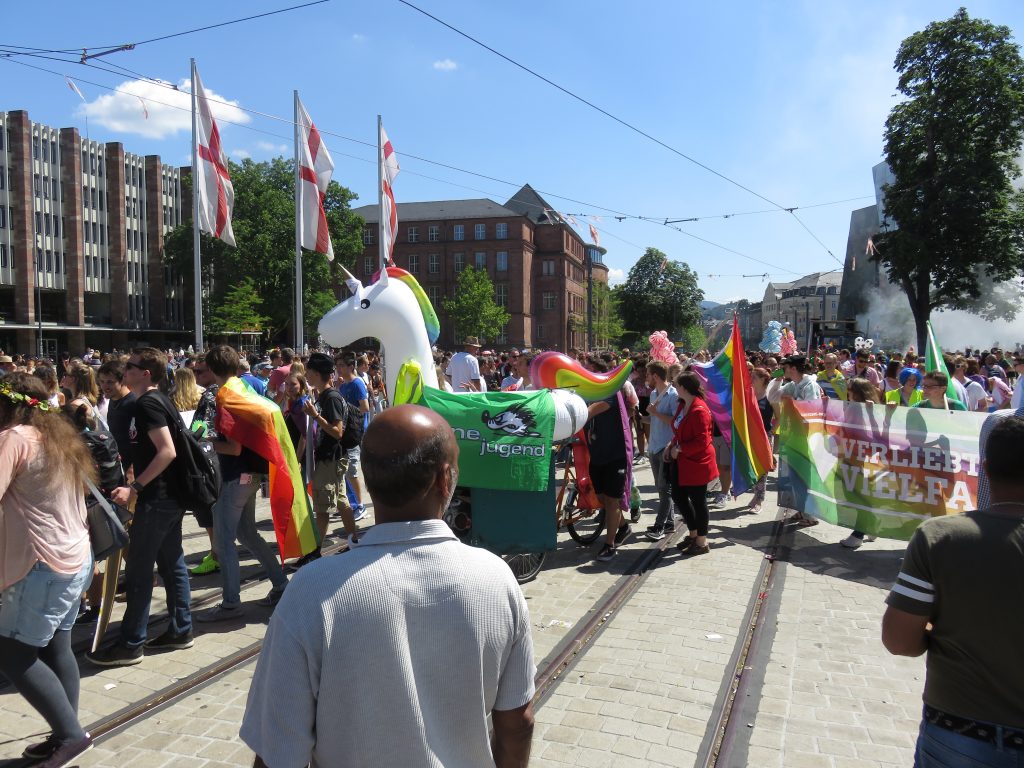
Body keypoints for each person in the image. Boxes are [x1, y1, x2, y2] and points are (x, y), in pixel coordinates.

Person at [240, 405, 536, 767]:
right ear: (445, 479)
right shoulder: (497, 578)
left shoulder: (311, 591)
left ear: (368, 476)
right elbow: (517, 724)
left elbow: (277, 753)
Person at [882, 416, 1024, 767]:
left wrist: (942, 635)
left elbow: (899, 641)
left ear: (986, 469)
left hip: (959, 730)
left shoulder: (939, 537)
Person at [0, 373, 97, 766]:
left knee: (13, 654)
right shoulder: (59, 438)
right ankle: (64, 732)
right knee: (57, 646)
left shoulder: (14, 438)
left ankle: (72, 736)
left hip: (42, 564)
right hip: (75, 558)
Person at [86, 348, 193, 667]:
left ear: (145, 373)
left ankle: (131, 643)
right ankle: (181, 629)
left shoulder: (147, 402)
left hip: (157, 498)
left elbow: (167, 451)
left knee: (138, 572)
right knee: (172, 562)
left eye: (130, 367)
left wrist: (134, 487)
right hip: (169, 496)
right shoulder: (157, 399)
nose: (124, 371)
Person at [193, 346, 288, 622]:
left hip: (236, 477)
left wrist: (204, 440)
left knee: (223, 542)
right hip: (253, 475)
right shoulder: (244, 389)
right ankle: (281, 584)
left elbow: (233, 448)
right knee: (247, 534)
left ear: (211, 369)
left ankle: (231, 603)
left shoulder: (226, 396)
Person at [301, 353, 357, 563]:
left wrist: (315, 416)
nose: (305, 374)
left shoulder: (331, 398)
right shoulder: (322, 395)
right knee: (341, 500)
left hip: (330, 458)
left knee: (323, 506)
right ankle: (354, 542)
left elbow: (337, 431)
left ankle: (316, 550)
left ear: (316, 373)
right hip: (331, 457)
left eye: (308, 371)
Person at [666, 371, 719, 557]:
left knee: (698, 501)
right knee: (678, 497)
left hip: (697, 462)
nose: (673, 387)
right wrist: (671, 445)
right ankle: (693, 534)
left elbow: (702, 441)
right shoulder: (683, 405)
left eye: (675, 385)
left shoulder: (699, 410)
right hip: (683, 461)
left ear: (683, 388)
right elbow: (679, 429)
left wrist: (679, 449)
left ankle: (702, 542)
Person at [586, 358, 633, 563]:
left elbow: (589, 412)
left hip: (616, 455)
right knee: (602, 497)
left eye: (588, 372)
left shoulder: (611, 393)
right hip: (597, 454)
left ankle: (609, 544)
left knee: (612, 500)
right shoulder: (590, 394)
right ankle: (623, 527)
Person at [643, 361, 679, 540]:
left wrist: (655, 413)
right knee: (661, 488)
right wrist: (642, 418)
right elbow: (653, 420)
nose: (646, 378)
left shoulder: (672, 395)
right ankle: (670, 522)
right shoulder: (654, 394)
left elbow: (675, 422)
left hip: (665, 448)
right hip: (654, 446)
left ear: (655, 376)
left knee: (665, 489)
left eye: (648, 375)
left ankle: (659, 526)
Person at [337, 356, 370, 521]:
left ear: (351, 366)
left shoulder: (357, 383)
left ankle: (360, 506)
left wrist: (347, 416)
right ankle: (350, 503)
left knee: (352, 471)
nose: (338, 368)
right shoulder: (343, 385)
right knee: (344, 470)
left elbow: (365, 407)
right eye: (337, 365)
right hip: (345, 432)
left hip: (354, 433)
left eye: (342, 365)